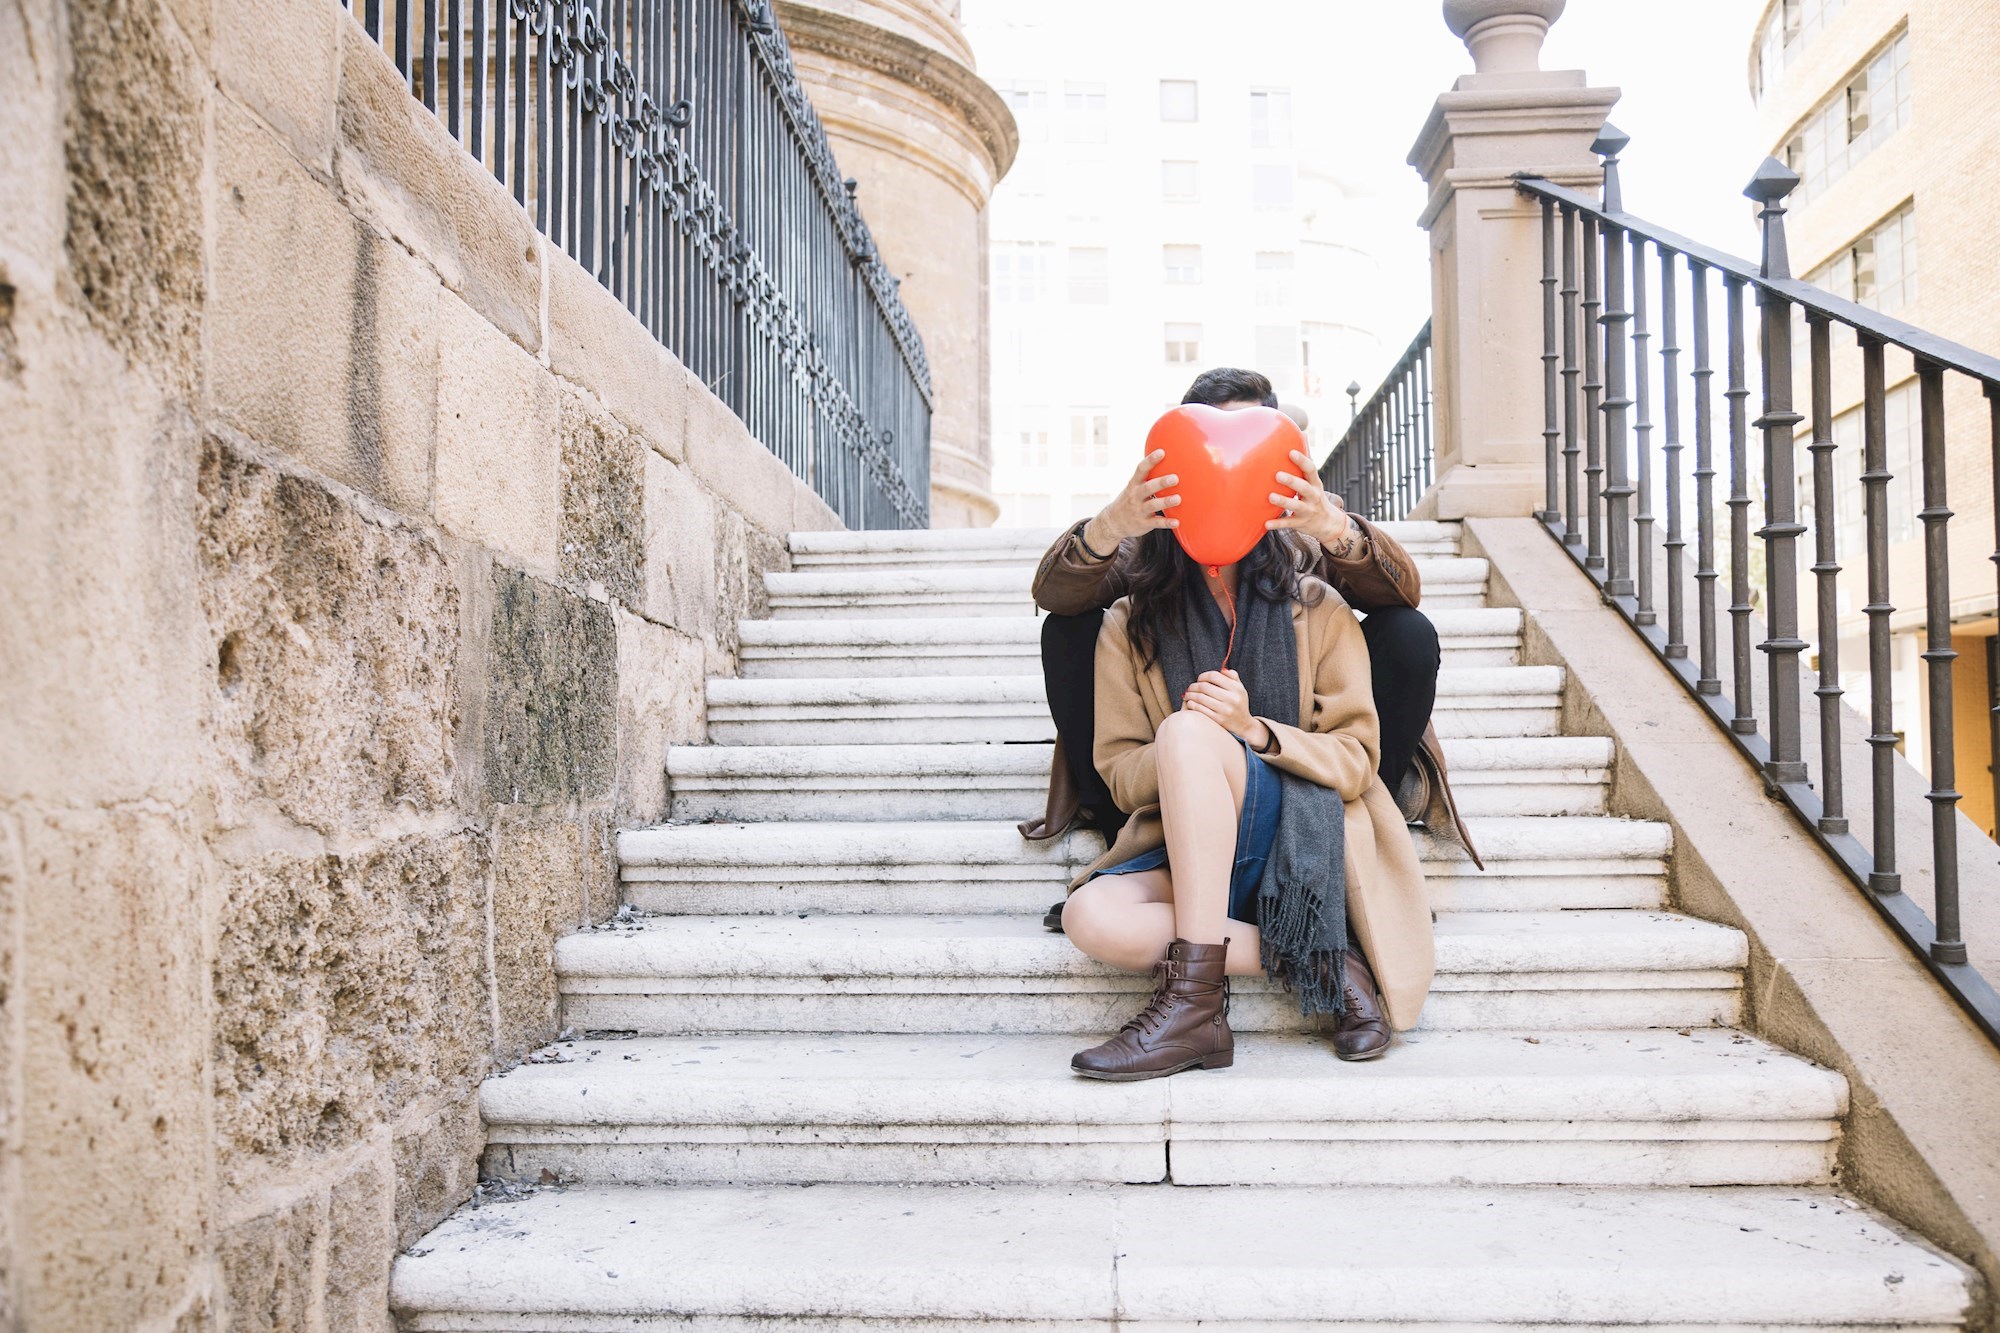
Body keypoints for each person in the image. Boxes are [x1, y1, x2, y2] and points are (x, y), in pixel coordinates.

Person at [1026, 368, 1480, 906]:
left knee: (1408, 634)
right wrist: (1110, 526)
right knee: (1068, 630)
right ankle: (1126, 843)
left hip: (1297, 747)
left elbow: (1402, 594)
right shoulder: (1149, 533)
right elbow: (1055, 595)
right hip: (1169, 755)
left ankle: (1350, 842)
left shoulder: (1304, 522)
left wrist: (1333, 527)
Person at [1058, 510, 1433, 1075]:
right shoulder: (1129, 623)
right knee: (1088, 917)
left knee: (1189, 731)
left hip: (1300, 831)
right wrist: (1188, 751)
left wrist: (1251, 731)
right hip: (1191, 842)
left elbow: (1358, 761)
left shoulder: (1318, 608)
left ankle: (1193, 1007)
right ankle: (1325, 957)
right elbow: (1119, 772)